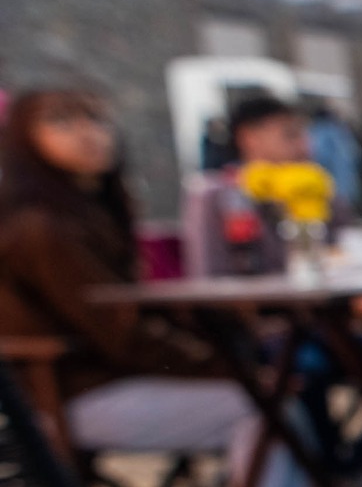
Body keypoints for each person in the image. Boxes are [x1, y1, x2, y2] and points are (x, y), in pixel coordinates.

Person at [0, 88, 214, 395]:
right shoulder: (40, 227)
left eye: (96, 118)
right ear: (23, 139)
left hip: (115, 375)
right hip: (76, 389)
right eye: (61, 121)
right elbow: (119, 332)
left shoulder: (93, 210)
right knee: (274, 407)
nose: (87, 133)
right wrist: (217, 363)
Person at [181, 95, 311, 277]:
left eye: (305, 135)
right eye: (290, 135)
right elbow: (208, 276)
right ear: (249, 138)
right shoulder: (215, 195)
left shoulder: (315, 192)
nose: (304, 146)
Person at [308, 101, 362, 212]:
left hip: (329, 186)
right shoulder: (342, 131)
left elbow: (319, 157)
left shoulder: (320, 132)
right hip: (347, 185)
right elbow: (357, 155)